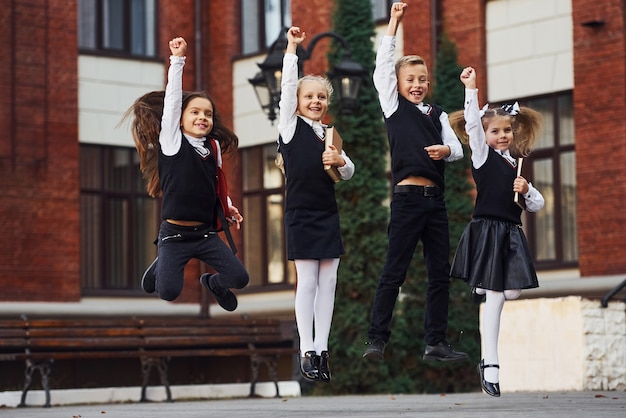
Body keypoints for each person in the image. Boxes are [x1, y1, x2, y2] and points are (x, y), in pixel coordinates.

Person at [363, 2, 467, 363]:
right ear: (399, 84)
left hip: (435, 202)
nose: (418, 84)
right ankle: (377, 339)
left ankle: (435, 341)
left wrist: (445, 150)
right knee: (395, 270)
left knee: (440, 273)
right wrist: (394, 22)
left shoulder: (437, 114)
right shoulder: (393, 106)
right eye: (411, 79)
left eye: (422, 79)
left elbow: (458, 150)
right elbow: (382, 69)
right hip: (407, 199)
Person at [124, 37, 249, 310]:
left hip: (204, 234)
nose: (202, 117)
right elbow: (171, 100)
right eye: (195, 112)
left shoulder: (212, 147)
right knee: (168, 293)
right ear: (180, 118)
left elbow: (215, 184)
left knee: (239, 278)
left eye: (208, 114)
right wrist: (177, 59)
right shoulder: (172, 142)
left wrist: (227, 207)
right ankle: (161, 263)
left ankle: (212, 284)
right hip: (175, 236)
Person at [448, 66, 544, 397]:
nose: (502, 136)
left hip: (511, 234)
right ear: (485, 137)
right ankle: (491, 365)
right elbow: (473, 124)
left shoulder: (515, 166)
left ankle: (481, 287)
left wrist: (527, 189)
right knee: (497, 297)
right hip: (488, 231)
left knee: (512, 292)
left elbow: (537, 205)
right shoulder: (482, 157)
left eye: (507, 131)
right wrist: (471, 88)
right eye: (495, 132)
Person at [277, 27, 355, 383]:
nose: (315, 101)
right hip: (301, 214)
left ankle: (322, 349)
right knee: (307, 282)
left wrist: (341, 161)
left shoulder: (329, 135)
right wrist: (293, 48)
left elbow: (349, 171)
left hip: (327, 213)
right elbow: (286, 87)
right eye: (309, 96)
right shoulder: (290, 128)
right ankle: (306, 349)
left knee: (330, 281)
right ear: (297, 100)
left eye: (321, 97)